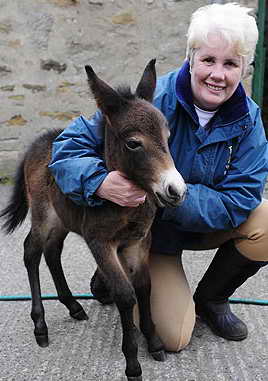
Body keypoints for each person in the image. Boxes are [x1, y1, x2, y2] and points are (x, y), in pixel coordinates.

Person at [49, 3, 268, 352]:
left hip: (202, 221)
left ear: (244, 68)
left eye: (231, 64)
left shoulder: (248, 120)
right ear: (190, 58)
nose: (218, 74)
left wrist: (172, 196)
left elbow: (241, 198)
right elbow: (66, 150)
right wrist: (97, 181)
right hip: (149, 235)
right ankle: (116, 265)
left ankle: (212, 299)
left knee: (266, 221)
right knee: (172, 338)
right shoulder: (149, 103)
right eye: (208, 60)